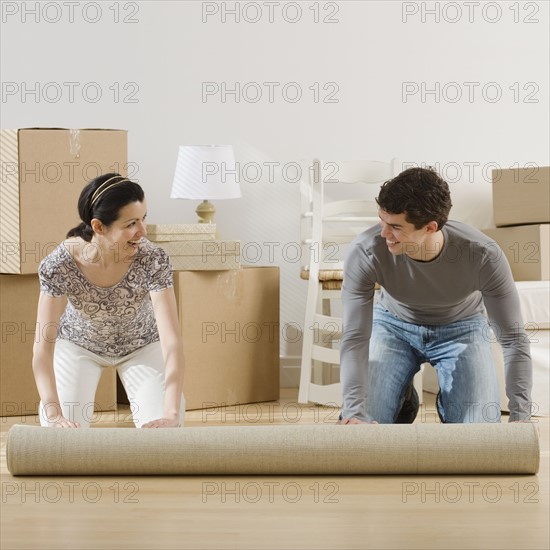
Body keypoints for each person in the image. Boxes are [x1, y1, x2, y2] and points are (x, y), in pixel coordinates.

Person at [338, 166, 532, 425]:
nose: (383, 233)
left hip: (462, 328)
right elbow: (354, 336)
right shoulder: (365, 250)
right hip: (392, 326)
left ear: (430, 227)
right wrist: (353, 411)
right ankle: (403, 398)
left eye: (395, 226)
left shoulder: (483, 255)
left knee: (478, 434)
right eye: (382, 221)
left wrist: (521, 417)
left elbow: (513, 339)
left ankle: (453, 398)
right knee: (364, 427)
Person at [32, 173, 185, 428]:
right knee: (63, 438)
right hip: (78, 345)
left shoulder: (153, 259)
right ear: (99, 226)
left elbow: (172, 341)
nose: (143, 231)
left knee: (163, 436)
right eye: (131, 224)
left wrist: (171, 413)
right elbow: (42, 349)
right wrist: (54, 413)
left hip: (142, 345)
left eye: (143, 218)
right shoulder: (59, 265)